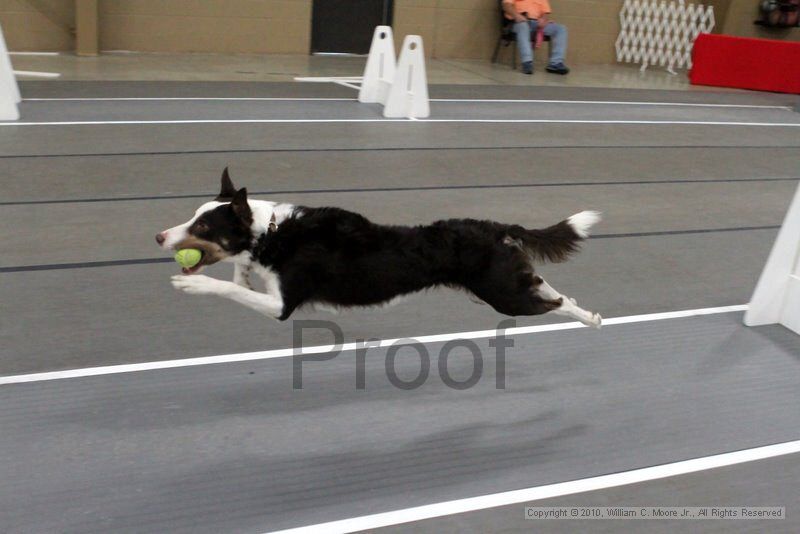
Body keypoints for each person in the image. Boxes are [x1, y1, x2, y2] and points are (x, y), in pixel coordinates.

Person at [501, 0, 569, 75]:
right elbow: (506, 6)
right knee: (523, 26)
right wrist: (517, 16)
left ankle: (555, 63)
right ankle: (527, 62)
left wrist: (543, 19)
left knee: (561, 29)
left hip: (536, 23)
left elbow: (545, 12)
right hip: (518, 21)